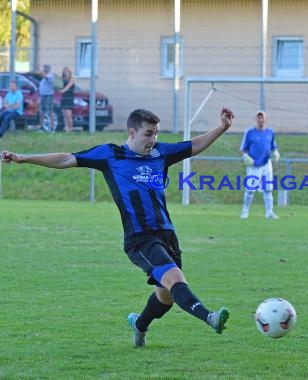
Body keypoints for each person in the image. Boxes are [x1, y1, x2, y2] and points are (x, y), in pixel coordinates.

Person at [1, 107, 235, 347]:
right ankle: (210, 317)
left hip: (167, 234)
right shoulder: (110, 155)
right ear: (132, 132)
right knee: (175, 279)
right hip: (140, 238)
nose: (153, 139)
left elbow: (193, 145)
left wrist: (222, 128)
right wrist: (24, 157)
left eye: (155, 133)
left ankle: (139, 325)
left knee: (165, 298)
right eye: (148, 134)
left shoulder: (160, 153)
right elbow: (67, 158)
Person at [240, 110, 280, 219]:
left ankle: (269, 212)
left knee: (268, 189)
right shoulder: (250, 133)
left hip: (267, 165)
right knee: (250, 190)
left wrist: (276, 153)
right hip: (254, 165)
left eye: (262, 118)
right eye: (259, 118)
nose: (260, 120)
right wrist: (246, 157)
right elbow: (244, 149)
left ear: (265, 119)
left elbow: (273, 147)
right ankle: (245, 211)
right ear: (256, 119)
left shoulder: (270, 133)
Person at [38, 64, 55, 132]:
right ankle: (41, 127)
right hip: (43, 95)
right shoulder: (43, 77)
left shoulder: (50, 75)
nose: (44, 69)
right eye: (43, 68)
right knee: (42, 112)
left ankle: (52, 127)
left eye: (45, 68)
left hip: (49, 96)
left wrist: (40, 70)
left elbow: (45, 77)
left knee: (50, 111)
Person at [61, 67, 75, 133]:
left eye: (67, 71)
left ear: (70, 72)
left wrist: (63, 90)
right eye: (64, 71)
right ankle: (66, 127)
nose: (66, 72)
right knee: (64, 115)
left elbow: (68, 87)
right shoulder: (62, 79)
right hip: (64, 97)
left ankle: (71, 128)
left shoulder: (71, 79)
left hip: (69, 97)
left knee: (68, 115)